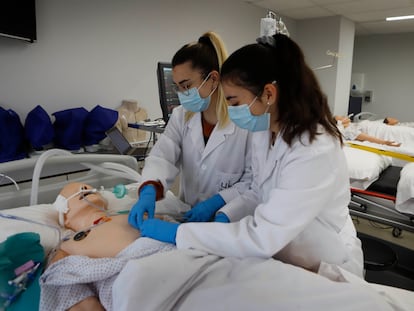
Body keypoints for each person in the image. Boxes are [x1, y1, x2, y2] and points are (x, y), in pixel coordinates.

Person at [139, 33, 364, 278]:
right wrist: (226, 214)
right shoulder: (265, 131)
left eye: (234, 102)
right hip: (279, 249)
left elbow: (263, 235)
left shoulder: (314, 149)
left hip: (324, 260)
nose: (232, 111)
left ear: (269, 94)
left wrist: (179, 234)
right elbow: (258, 189)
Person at [128, 31, 257, 229]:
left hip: (231, 222)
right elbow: (163, 156)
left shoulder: (244, 122)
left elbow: (253, 181)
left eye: (186, 86)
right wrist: (149, 191)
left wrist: (219, 203)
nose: (182, 94)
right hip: (188, 217)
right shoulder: (182, 116)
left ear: (213, 79)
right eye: (177, 87)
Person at [40, 182, 176, 311]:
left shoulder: (135, 214)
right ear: (65, 216)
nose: (85, 188)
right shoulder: (66, 245)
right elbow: (66, 289)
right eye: (75, 191)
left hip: (178, 261)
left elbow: (186, 233)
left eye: (87, 187)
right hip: (139, 284)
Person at [335, 115, 401, 146]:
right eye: (341, 117)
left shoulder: (352, 125)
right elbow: (367, 138)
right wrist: (384, 142)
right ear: (339, 123)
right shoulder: (349, 130)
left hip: (381, 126)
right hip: (382, 131)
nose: (344, 116)